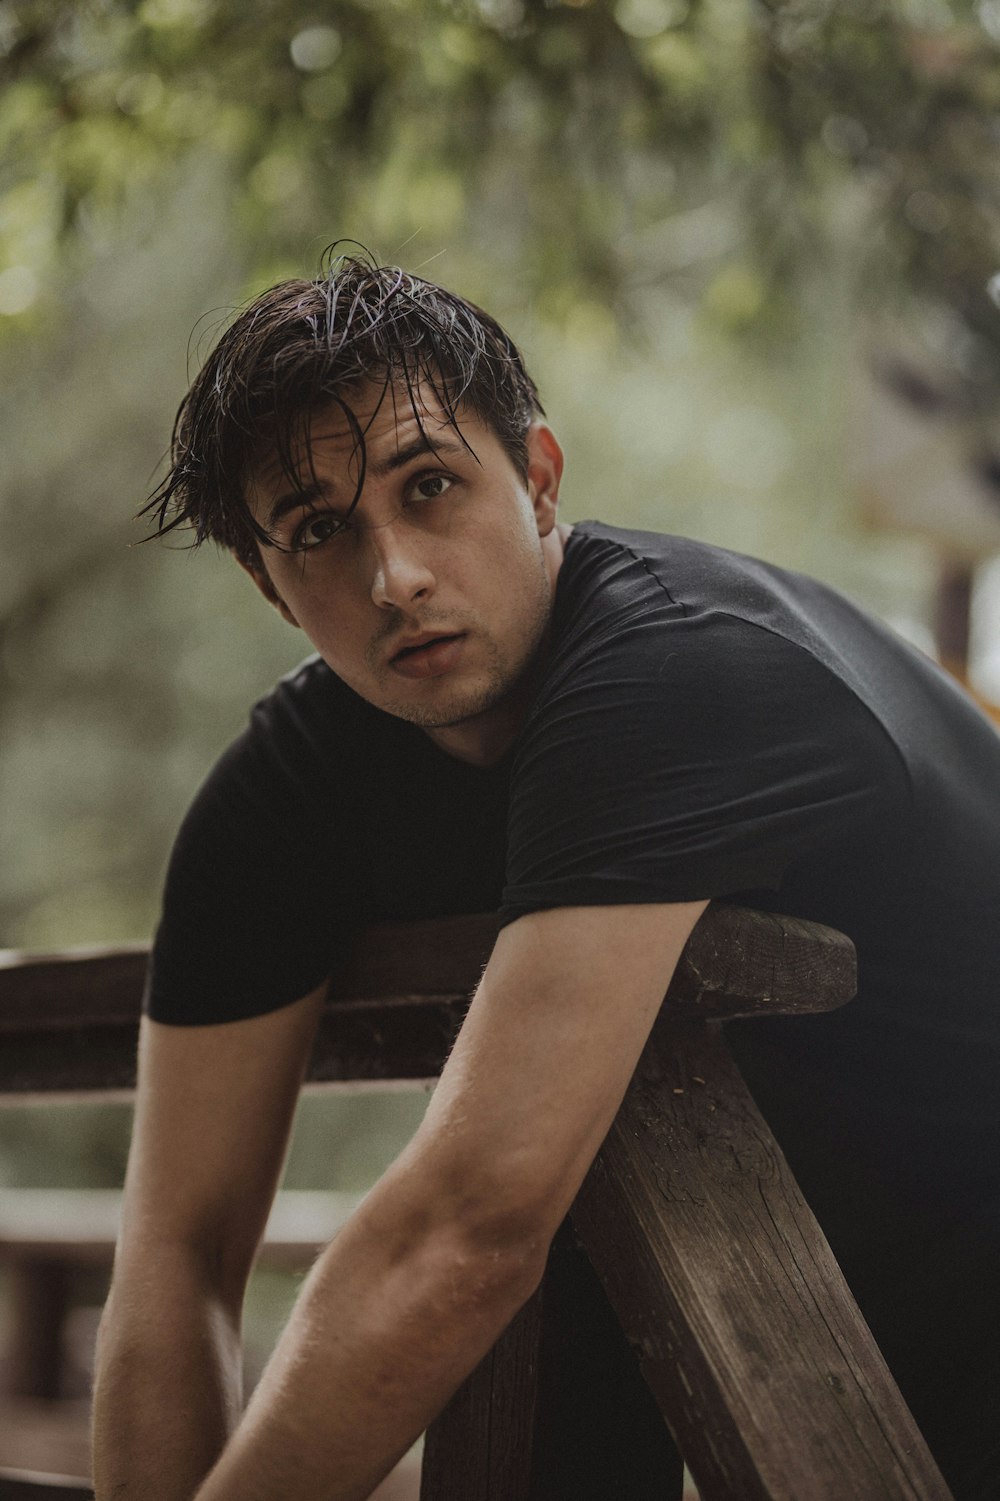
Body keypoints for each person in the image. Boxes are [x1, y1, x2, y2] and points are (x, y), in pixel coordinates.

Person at [92, 248, 1000, 1501]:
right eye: (318, 531)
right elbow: (177, 1253)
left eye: (430, 487)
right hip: (763, 1304)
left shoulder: (679, 673)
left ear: (537, 477)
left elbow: (467, 1226)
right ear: (269, 584)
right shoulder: (280, 795)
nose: (394, 574)